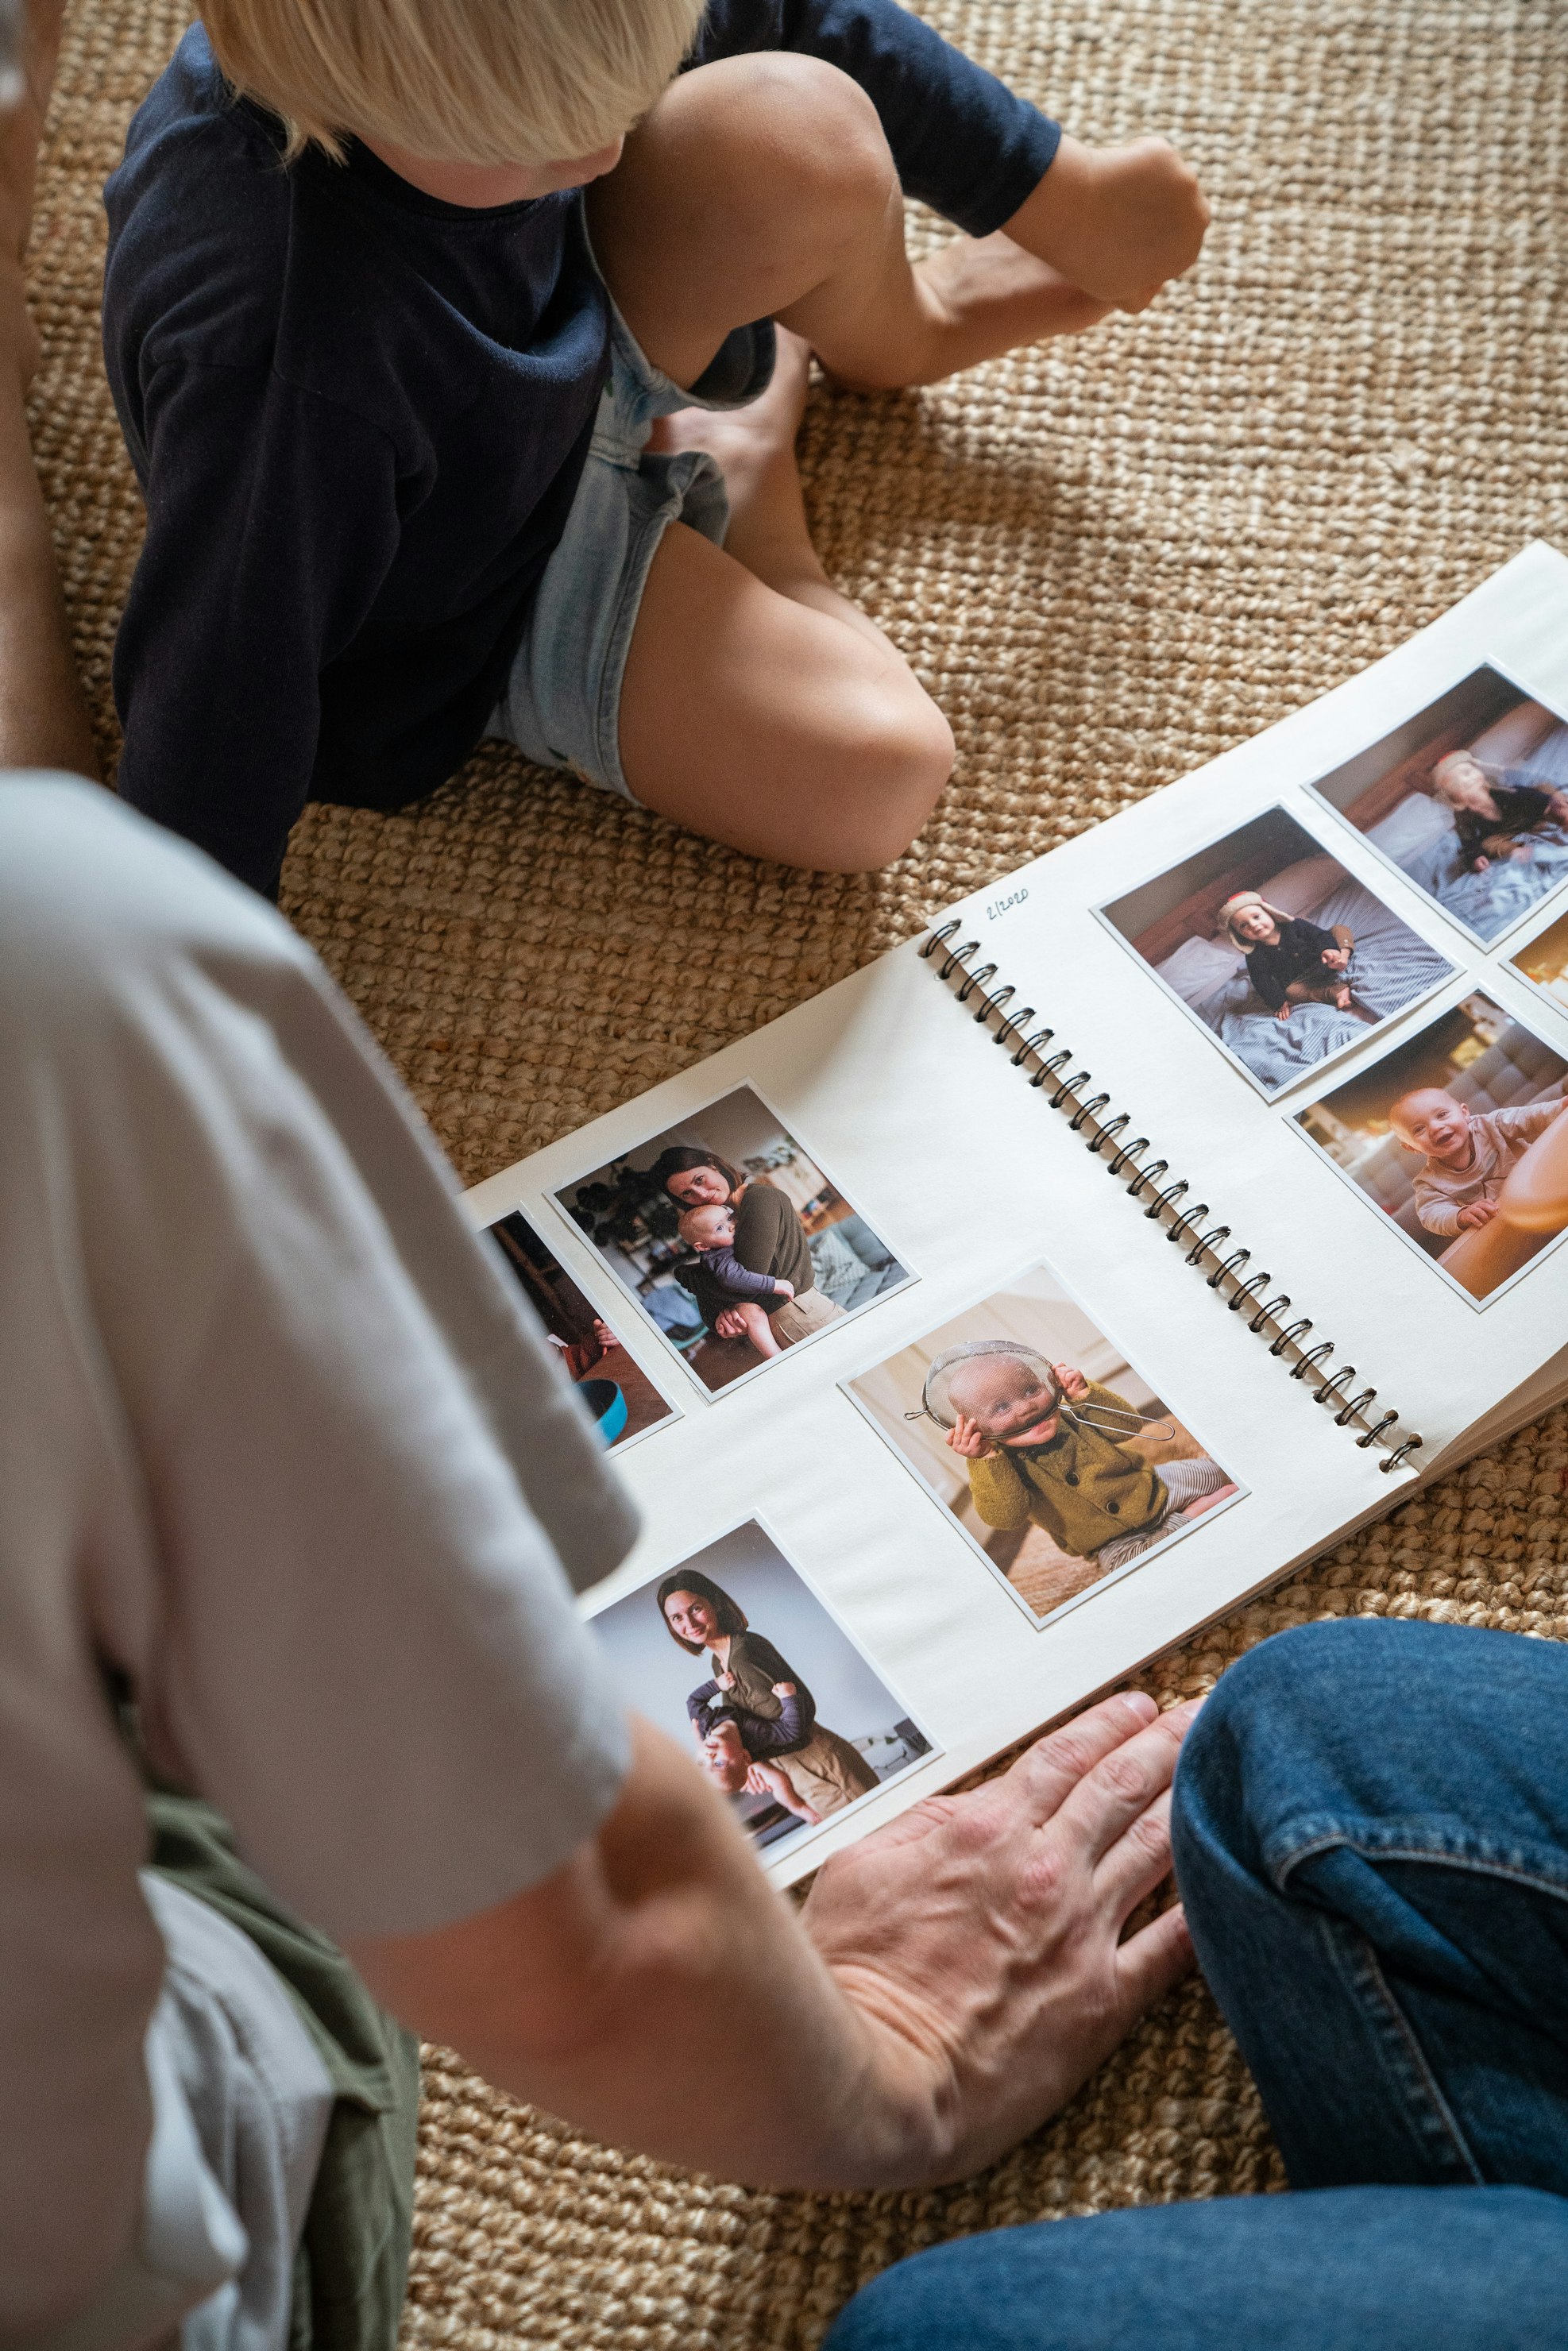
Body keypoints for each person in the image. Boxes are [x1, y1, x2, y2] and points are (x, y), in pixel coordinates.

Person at [99, 0, 1207, 900]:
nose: (607, 146)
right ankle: (758, 499)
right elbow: (218, 696)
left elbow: (796, 15)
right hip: (470, 588)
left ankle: (901, 336)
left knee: (797, 120)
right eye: (540, 142)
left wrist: (1055, 190)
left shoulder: (515, 77)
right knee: (878, 778)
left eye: (633, 86)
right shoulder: (286, 362)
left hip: (567, 330)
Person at [944, 1353, 1236, 1573]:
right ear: (977, 1428)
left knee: (1216, 1471)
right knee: (1126, 1567)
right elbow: (1005, 1517)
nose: (1026, 1406)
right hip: (1110, 1540)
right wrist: (985, 1460)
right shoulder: (997, 1465)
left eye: (1030, 1390)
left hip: (1151, 1488)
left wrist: (1085, 1394)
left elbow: (1129, 1425)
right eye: (1002, 1407)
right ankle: (1193, 1515)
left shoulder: (1072, 1415)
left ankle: (1189, 1512)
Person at [651, 1143, 845, 1346]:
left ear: (713, 1165)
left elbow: (742, 1287)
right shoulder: (720, 1231)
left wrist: (686, 1275)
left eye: (700, 1180)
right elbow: (711, 1316)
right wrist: (722, 1317)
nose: (701, 1194)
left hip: (801, 1317)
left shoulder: (760, 1199)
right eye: (687, 1194)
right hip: (779, 1325)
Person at [1388, 1085, 1568, 1238]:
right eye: (1419, 1129)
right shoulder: (1429, 1182)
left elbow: (1526, 1117)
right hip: (1505, 1225)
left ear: (1464, 1113)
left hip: (1543, 1187)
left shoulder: (1492, 1125)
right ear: (1412, 1148)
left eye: (1442, 1115)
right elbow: (1431, 1214)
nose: (1435, 1127)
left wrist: (1559, 1108)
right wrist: (1460, 1215)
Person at [676, 1198, 795, 1358]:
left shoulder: (725, 1244)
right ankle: (777, 1357)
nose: (731, 1226)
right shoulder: (718, 1256)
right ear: (703, 1246)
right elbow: (733, 1278)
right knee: (754, 1313)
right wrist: (774, 1285)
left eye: (729, 1218)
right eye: (720, 1228)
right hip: (726, 1311)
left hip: (729, 1306)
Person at [1220, 890, 1358, 1021]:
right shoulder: (1254, 955)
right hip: (1304, 979)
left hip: (1325, 960)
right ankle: (1336, 992)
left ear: (1270, 912)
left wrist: (1329, 949)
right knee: (1292, 992)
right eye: (1244, 925)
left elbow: (1320, 936)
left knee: (1339, 930)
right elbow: (1262, 982)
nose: (1254, 925)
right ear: (1239, 935)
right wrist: (1278, 1003)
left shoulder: (1296, 925)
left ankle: (1342, 958)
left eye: (1256, 917)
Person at [1431, 747, 1568, 873]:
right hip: (1505, 832)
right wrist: (1476, 859)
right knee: (1488, 844)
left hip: (1525, 812)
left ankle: (1560, 812)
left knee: (1545, 791)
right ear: (1453, 795)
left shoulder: (1497, 790)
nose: (1472, 776)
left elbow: (1523, 795)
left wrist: (1548, 803)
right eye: (1463, 777)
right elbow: (1469, 843)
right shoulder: (1463, 816)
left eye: (1472, 770)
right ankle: (1518, 850)